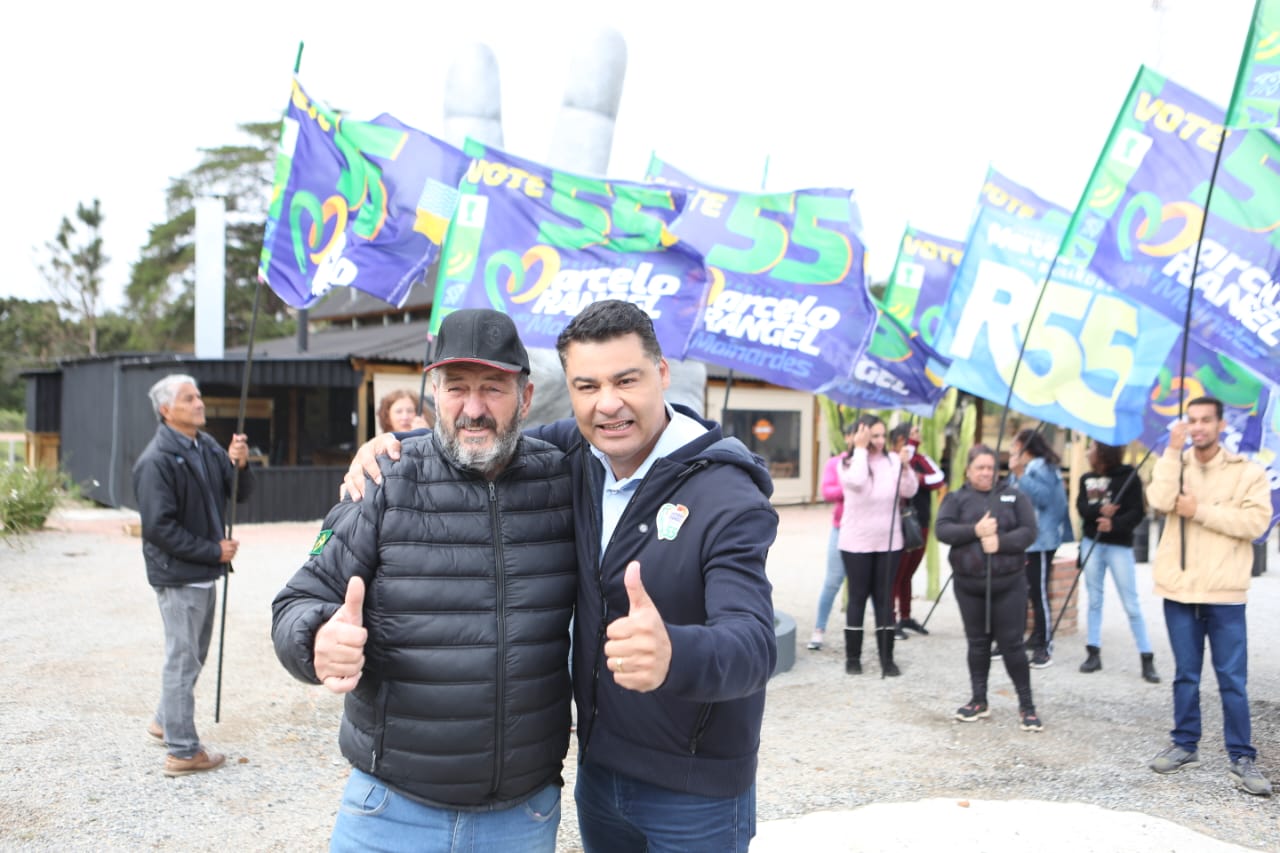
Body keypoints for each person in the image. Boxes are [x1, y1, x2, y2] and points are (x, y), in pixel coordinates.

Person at [342, 299, 778, 852]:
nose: (609, 404)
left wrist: (676, 654)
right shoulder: (576, 453)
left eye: (627, 380)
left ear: (662, 375)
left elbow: (754, 643)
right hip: (600, 778)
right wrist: (388, 449)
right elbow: (481, 437)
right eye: (587, 386)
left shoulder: (727, 493)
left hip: (696, 792)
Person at [272, 309, 576, 851]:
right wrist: (316, 638)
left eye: (494, 389)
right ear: (433, 393)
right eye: (456, 388)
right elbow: (299, 597)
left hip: (522, 817)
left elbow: (644, 427)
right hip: (391, 812)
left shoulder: (562, 479)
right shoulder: (384, 478)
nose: (474, 409)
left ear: (525, 398)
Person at [1145, 396, 1273, 797]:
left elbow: (1256, 523)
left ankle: (1242, 755)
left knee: (1232, 679)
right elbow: (1159, 501)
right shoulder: (1174, 464)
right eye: (1192, 420)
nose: (1198, 427)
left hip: (1225, 593)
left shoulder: (1247, 472)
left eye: (1206, 420)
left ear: (1220, 425)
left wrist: (1198, 509)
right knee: (1185, 674)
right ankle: (1185, 744)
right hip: (1179, 588)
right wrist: (1170, 450)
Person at [131, 374, 253, 777]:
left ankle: (165, 721)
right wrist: (212, 550)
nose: (199, 403)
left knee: (192, 656)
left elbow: (239, 492)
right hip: (180, 574)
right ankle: (183, 751)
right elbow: (158, 529)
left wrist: (240, 462)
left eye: (198, 395)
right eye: (189, 398)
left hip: (202, 572)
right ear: (167, 410)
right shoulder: (156, 461)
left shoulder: (204, 446)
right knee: (182, 661)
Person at [934, 445, 1044, 731]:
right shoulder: (957, 498)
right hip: (969, 585)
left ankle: (1027, 705)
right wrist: (975, 531)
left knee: (1012, 645)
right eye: (979, 467)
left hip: (1009, 584)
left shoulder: (1013, 496)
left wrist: (1001, 542)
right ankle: (978, 700)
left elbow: (1029, 531)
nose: (985, 473)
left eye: (990, 467)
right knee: (977, 643)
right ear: (968, 470)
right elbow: (942, 529)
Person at [837, 413, 918, 677]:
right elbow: (857, 482)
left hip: (889, 542)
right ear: (862, 435)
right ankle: (853, 657)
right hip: (856, 542)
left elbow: (909, 491)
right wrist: (860, 450)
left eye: (884, 435)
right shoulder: (848, 462)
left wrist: (906, 467)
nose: (882, 441)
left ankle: (887, 658)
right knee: (857, 598)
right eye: (875, 436)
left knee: (884, 600)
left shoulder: (893, 460)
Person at [1076, 441, 1159, 682]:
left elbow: (1137, 512)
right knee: (1094, 599)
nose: (1088, 452)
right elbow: (1082, 507)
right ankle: (1093, 652)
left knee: (1130, 602)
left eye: (1091, 447)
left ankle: (1146, 657)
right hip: (1092, 541)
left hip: (1119, 546)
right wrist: (1100, 512)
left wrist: (1115, 523)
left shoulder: (1129, 477)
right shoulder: (1086, 478)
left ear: (1103, 452)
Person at [1007, 428, 1070, 668]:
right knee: (1028, 590)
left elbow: (1042, 498)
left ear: (1025, 447)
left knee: (1039, 592)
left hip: (1041, 540)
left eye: (1015, 446)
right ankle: (1034, 637)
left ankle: (1045, 645)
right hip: (1025, 539)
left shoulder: (1043, 467)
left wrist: (1020, 474)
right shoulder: (1026, 469)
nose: (1012, 451)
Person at [889, 422, 946, 639]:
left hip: (920, 522)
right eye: (913, 434)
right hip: (900, 523)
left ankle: (905, 616)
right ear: (901, 439)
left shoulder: (921, 460)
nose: (918, 437)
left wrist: (919, 477)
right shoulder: (894, 459)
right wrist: (907, 453)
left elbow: (938, 480)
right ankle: (891, 620)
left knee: (908, 573)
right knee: (897, 573)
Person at [807, 421, 857, 651]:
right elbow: (827, 492)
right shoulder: (836, 463)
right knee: (832, 582)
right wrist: (852, 485)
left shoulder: (877, 464)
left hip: (870, 533)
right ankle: (819, 629)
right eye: (856, 435)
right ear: (847, 437)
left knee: (873, 587)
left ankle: (883, 632)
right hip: (842, 528)